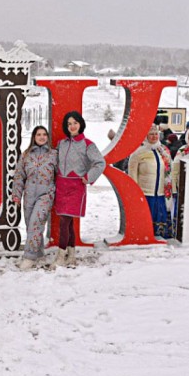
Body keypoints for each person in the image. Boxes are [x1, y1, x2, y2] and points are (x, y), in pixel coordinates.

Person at [54, 111, 105, 268]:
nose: (72, 126)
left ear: (80, 124)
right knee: (68, 224)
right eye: (69, 124)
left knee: (64, 222)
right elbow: (55, 163)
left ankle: (61, 256)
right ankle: (72, 255)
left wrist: (88, 177)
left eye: (75, 123)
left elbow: (100, 162)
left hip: (76, 187)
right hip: (61, 186)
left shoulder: (88, 144)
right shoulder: (61, 144)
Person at [12, 126, 57, 270]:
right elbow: (19, 175)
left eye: (44, 134)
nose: (42, 137)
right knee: (30, 225)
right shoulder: (26, 155)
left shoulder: (53, 154)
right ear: (34, 137)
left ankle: (29, 257)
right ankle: (38, 254)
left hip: (46, 193)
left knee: (35, 224)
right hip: (29, 194)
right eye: (39, 134)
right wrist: (17, 195)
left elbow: (60, 175)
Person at [128, 124, 173, 239]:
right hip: (146, 194)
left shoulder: (163, 150)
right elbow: (132, 175)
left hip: (160, 193)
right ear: (145, 136)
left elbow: (170, 170)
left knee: (160, 219)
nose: (154, 136)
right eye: (151, 134)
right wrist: (135, 193)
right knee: (146, 220)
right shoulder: (138, 153)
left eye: (156, 134)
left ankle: (160, 235)